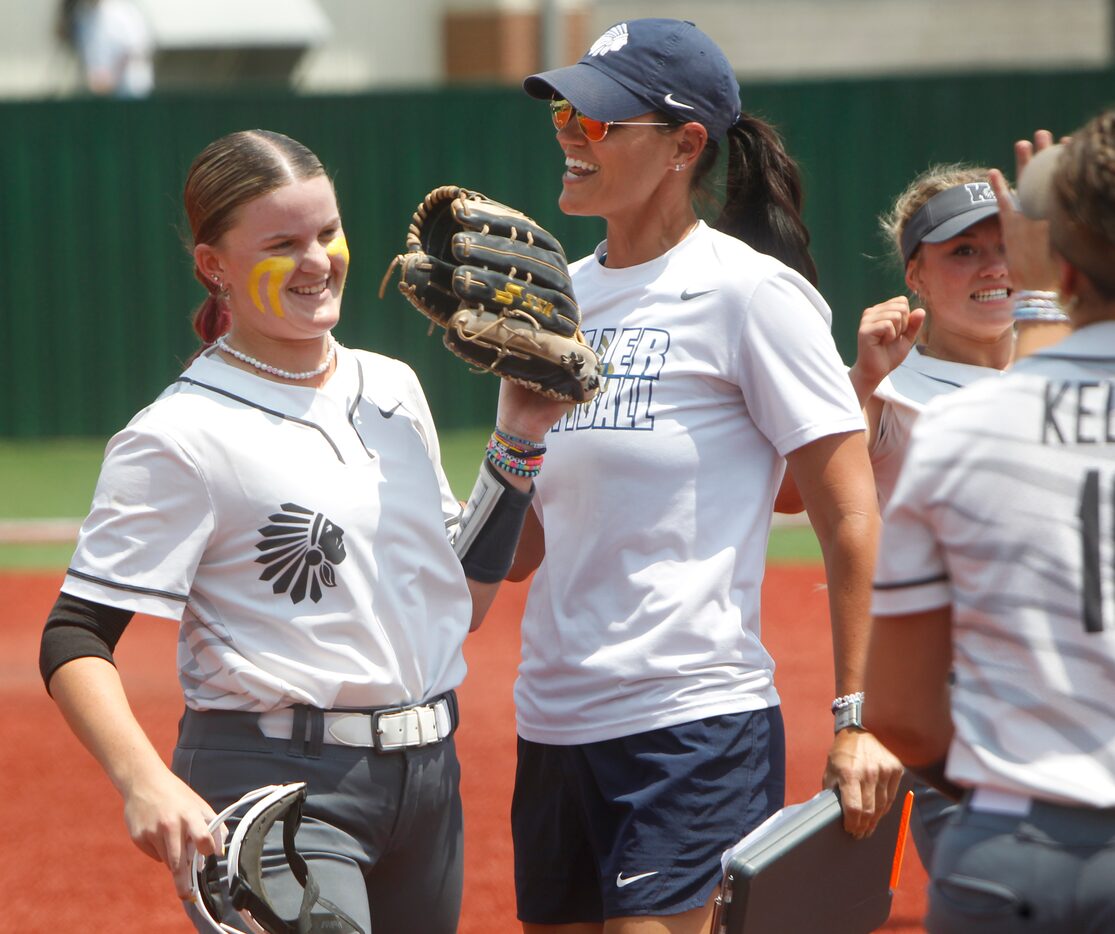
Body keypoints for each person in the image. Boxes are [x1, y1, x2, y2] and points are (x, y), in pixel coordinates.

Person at [38, 129, 563, 934]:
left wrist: (519, 436)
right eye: (282, 243)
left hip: (426, 780)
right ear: (215, 265)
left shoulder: (392, 386)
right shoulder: (180, 434)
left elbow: (457, 602)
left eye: (326, 232)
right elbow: (74, 634)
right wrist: (141, 778)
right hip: (275, 784)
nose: (318, 260)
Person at [503, 18, 903, 933]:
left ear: (686, 145)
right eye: (564, 109)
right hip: (554, 726)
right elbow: (522, 549)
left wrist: (854, 717)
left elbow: (845, 514)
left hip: (691, 724)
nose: (569, 130)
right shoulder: (550, 300)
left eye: (600, 120)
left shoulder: (750, 293)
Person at [866, 107, 1115, 932]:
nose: (994, 265)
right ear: (913, 273)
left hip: (1005, 807)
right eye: (964, 249)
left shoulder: (972, 427)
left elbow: (897, 711)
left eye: (1007, 242)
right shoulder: (894, 393)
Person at [57, 0, 154, 98]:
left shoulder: (123, 12)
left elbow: (136, 50)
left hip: (131, 96)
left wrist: (111, 78)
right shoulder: (82, 17)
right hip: (102, 98)